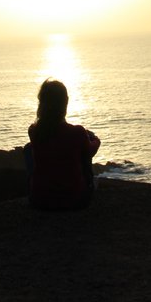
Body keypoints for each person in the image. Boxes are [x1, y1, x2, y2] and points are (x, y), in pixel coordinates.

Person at [25, 79, 100, 210]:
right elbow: (91, 150)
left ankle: (34, 185)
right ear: (65, 102)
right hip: (74, 201)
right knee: (84, 153)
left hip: (39, 201)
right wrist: (94, 138)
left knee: (29, 149)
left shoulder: (34, 131)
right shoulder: (77, 132)